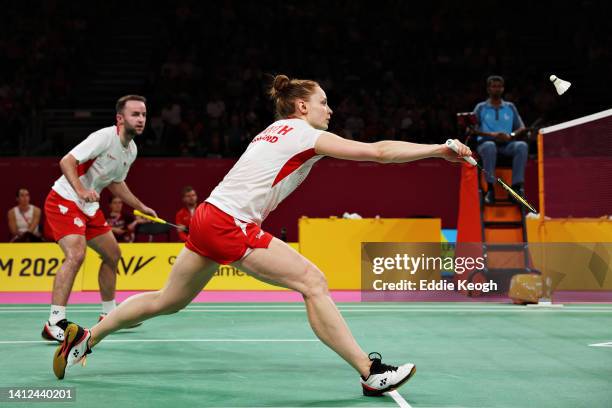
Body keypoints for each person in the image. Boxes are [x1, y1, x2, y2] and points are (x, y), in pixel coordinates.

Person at [53, 76, 472, 396]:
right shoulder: (305, 133)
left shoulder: (272, 129)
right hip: (229, 222)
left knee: (167, 301)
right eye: (324, 103)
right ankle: (370, 372)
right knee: (313, 282)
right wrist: (438, 149)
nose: (331, 110)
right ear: (303, 106)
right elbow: (379, 153)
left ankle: (87, 338)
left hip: (209, 216)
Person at [42, 95, 157, 343]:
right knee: (76, 255)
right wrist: (81, 190)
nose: (140, 119)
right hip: (64, 200)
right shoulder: (104, 137)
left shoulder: (131, 150)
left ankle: (109, 314)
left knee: (112, 254)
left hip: (89, 208)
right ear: (120, 118)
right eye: (135, 114)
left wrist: (140, 206)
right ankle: (54, 321)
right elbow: (67, 161)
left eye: (144, 115)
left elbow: (115, 183)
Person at [472, 75, 528, 204]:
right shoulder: (480, 107)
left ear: (503, 89)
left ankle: (516, 188)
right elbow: (472, 129)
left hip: (507, 144)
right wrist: (492, 135)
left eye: (499, 86)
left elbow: (521, 128)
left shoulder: (510, 107)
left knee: (521, 146)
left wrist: (511, 136)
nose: (496, 89)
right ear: (488, 89)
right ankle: (490, 190)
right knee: (489, 146)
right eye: (493, 86)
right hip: (486, 144)